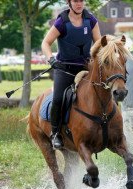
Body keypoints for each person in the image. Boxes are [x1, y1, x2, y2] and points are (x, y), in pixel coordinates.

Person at [41, 0, 101, 149]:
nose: (79, 4)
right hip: (64, 69)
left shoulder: (91, 20)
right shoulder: (62, 22)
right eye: (75, 1)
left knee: (103, 91)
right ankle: (55, 133)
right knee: (58, 98)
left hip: (85, 68)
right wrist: (51, 59)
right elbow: (45, 43)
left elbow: (99, 43)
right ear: (69, 3)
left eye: (81, 0)